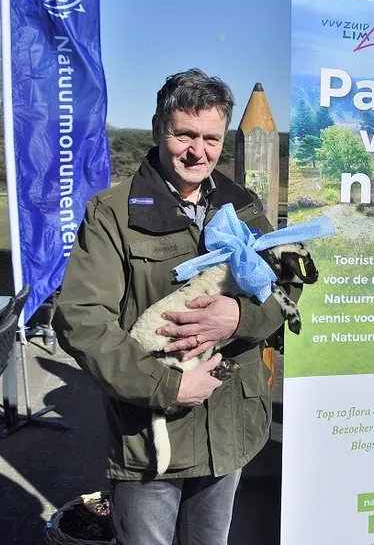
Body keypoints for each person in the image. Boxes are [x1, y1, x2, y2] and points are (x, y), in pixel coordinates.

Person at [54, 68, 300, 545]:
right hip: (150, 436)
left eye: (211, 138)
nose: (198, 151)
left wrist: (241, 317)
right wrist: (167, 385)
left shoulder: (242, 205)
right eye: (184, 134)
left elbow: (286, 282)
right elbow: (82, 320)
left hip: (231, 426)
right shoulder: (114, 213)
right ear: (157, 129)